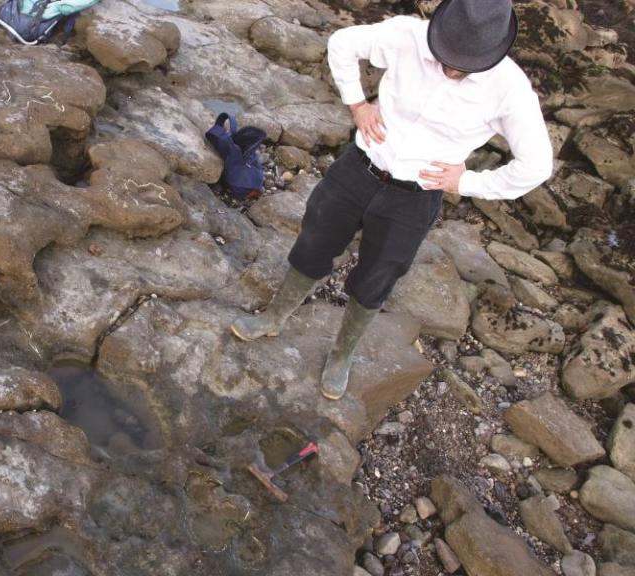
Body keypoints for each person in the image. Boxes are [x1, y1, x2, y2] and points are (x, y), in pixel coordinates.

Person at [230, 0, 553, 400]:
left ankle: (342, 354)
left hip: (415, 198)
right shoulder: (408, 35)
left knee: (378, 277)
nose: (452, 69)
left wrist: (467, 182)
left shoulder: (510, 88)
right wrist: (358, 105)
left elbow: (537, 164)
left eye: (465, 65)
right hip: (359, 168)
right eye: (447, 57)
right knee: (314, 241)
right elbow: (342, 43)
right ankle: (275, 317)